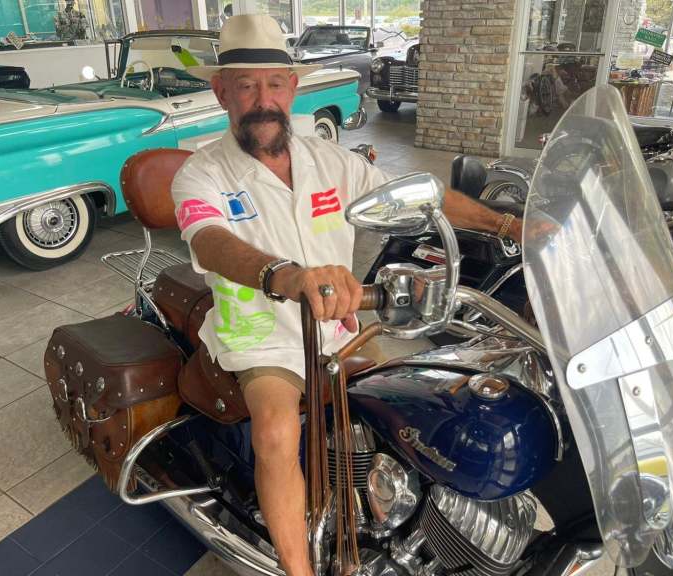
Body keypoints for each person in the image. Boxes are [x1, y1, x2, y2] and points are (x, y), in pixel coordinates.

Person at [172, 14, 522, 576]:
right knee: (276, 433)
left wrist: (509, 226)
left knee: (417, 406)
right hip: (261, 335)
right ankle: (298, 568)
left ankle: (404, 515)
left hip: (341, 327)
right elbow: (209, 241)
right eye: (245, 85)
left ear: (292, 88)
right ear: (221, 92)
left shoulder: (330, 160)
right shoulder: (201, 173)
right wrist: (285, 275)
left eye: (274, 84)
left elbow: (420, 196)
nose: (263, 99)